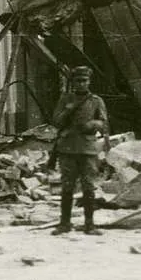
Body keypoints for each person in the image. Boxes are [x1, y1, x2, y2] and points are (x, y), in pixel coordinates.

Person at [50, 66, 110, 236]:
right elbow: (56, 121)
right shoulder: (65, 99)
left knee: (88, 187)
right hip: (68, 149)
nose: (81, 84)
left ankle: (89, 225)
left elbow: (104, 123)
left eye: (84, 81)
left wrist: (93, 125)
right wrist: (69, 110)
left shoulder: (96, 101)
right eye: (78, 81)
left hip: (88, 149)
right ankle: (65, 223)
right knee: (67, 186)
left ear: (89, 82)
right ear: (73, 82)